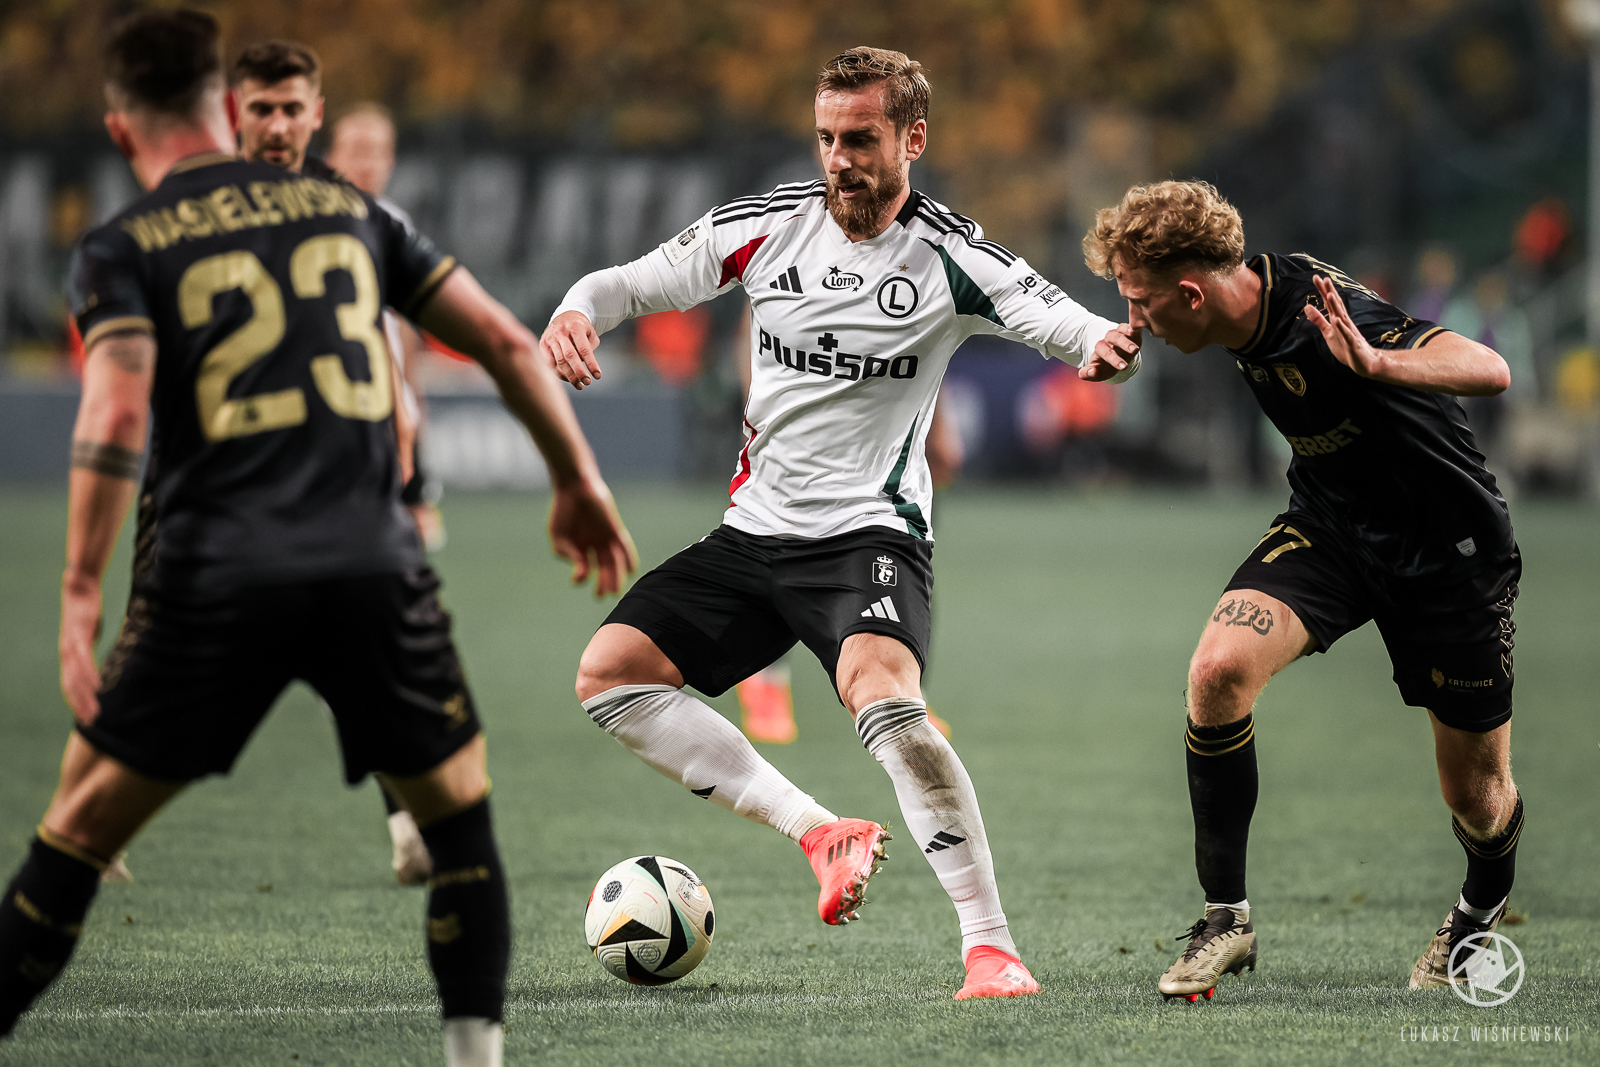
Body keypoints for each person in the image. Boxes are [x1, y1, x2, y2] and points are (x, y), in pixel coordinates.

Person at [0, 12, 634, 1064]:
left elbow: (112, 417)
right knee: (459, 827)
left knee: (73, 840)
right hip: (367, 566)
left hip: (213, 578)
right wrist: (577, 479)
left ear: (119, 129)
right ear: (224, 109)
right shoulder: (349, 211)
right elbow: (503, 339)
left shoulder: (127, 241)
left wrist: (76, 592)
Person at [543, 46, 1140, 1000]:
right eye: (826, 138)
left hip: (870, 535)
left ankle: (990, 947)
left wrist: (1098, 342)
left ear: (912, 138)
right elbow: (633, 283)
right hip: (752, 533)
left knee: (886, 700)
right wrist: (578, 309)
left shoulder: (946, 254)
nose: (839, 160)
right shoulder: (766, 226)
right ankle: (822, 832)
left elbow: (1043, 307)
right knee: (608, 677)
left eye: (860, 139)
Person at [1083, 181, 1522, 1000]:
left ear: (1191, 293)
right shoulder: (1234, 311)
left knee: (1477, 797)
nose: (1133, 319)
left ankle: (1479, 904)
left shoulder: (1322, 310)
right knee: (1217, 672)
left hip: (1447, 550)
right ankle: (1226, 918)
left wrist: (1378, 363)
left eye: (1140, 302)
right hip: (1333, 530)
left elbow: (1489, 368)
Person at [231, 41, 440, 884]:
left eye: (378, 150)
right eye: (357, 147)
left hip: (347, 461)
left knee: (360, 650)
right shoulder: (313, 216)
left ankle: (410, 819)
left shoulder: (383, 224)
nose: (367, 160)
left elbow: (403, 346)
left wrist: (412, 460)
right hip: (274, 461)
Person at [729, 299, 958, 745]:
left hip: (885, 437)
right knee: (782, 552)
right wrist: (766, 413)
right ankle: (764, 681)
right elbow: (755, 322)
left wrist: (940, 424)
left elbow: (931, 338)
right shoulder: (792, 257)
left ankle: (905, 692)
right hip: (804, 433)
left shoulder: (918, 261)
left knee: (905, 561)